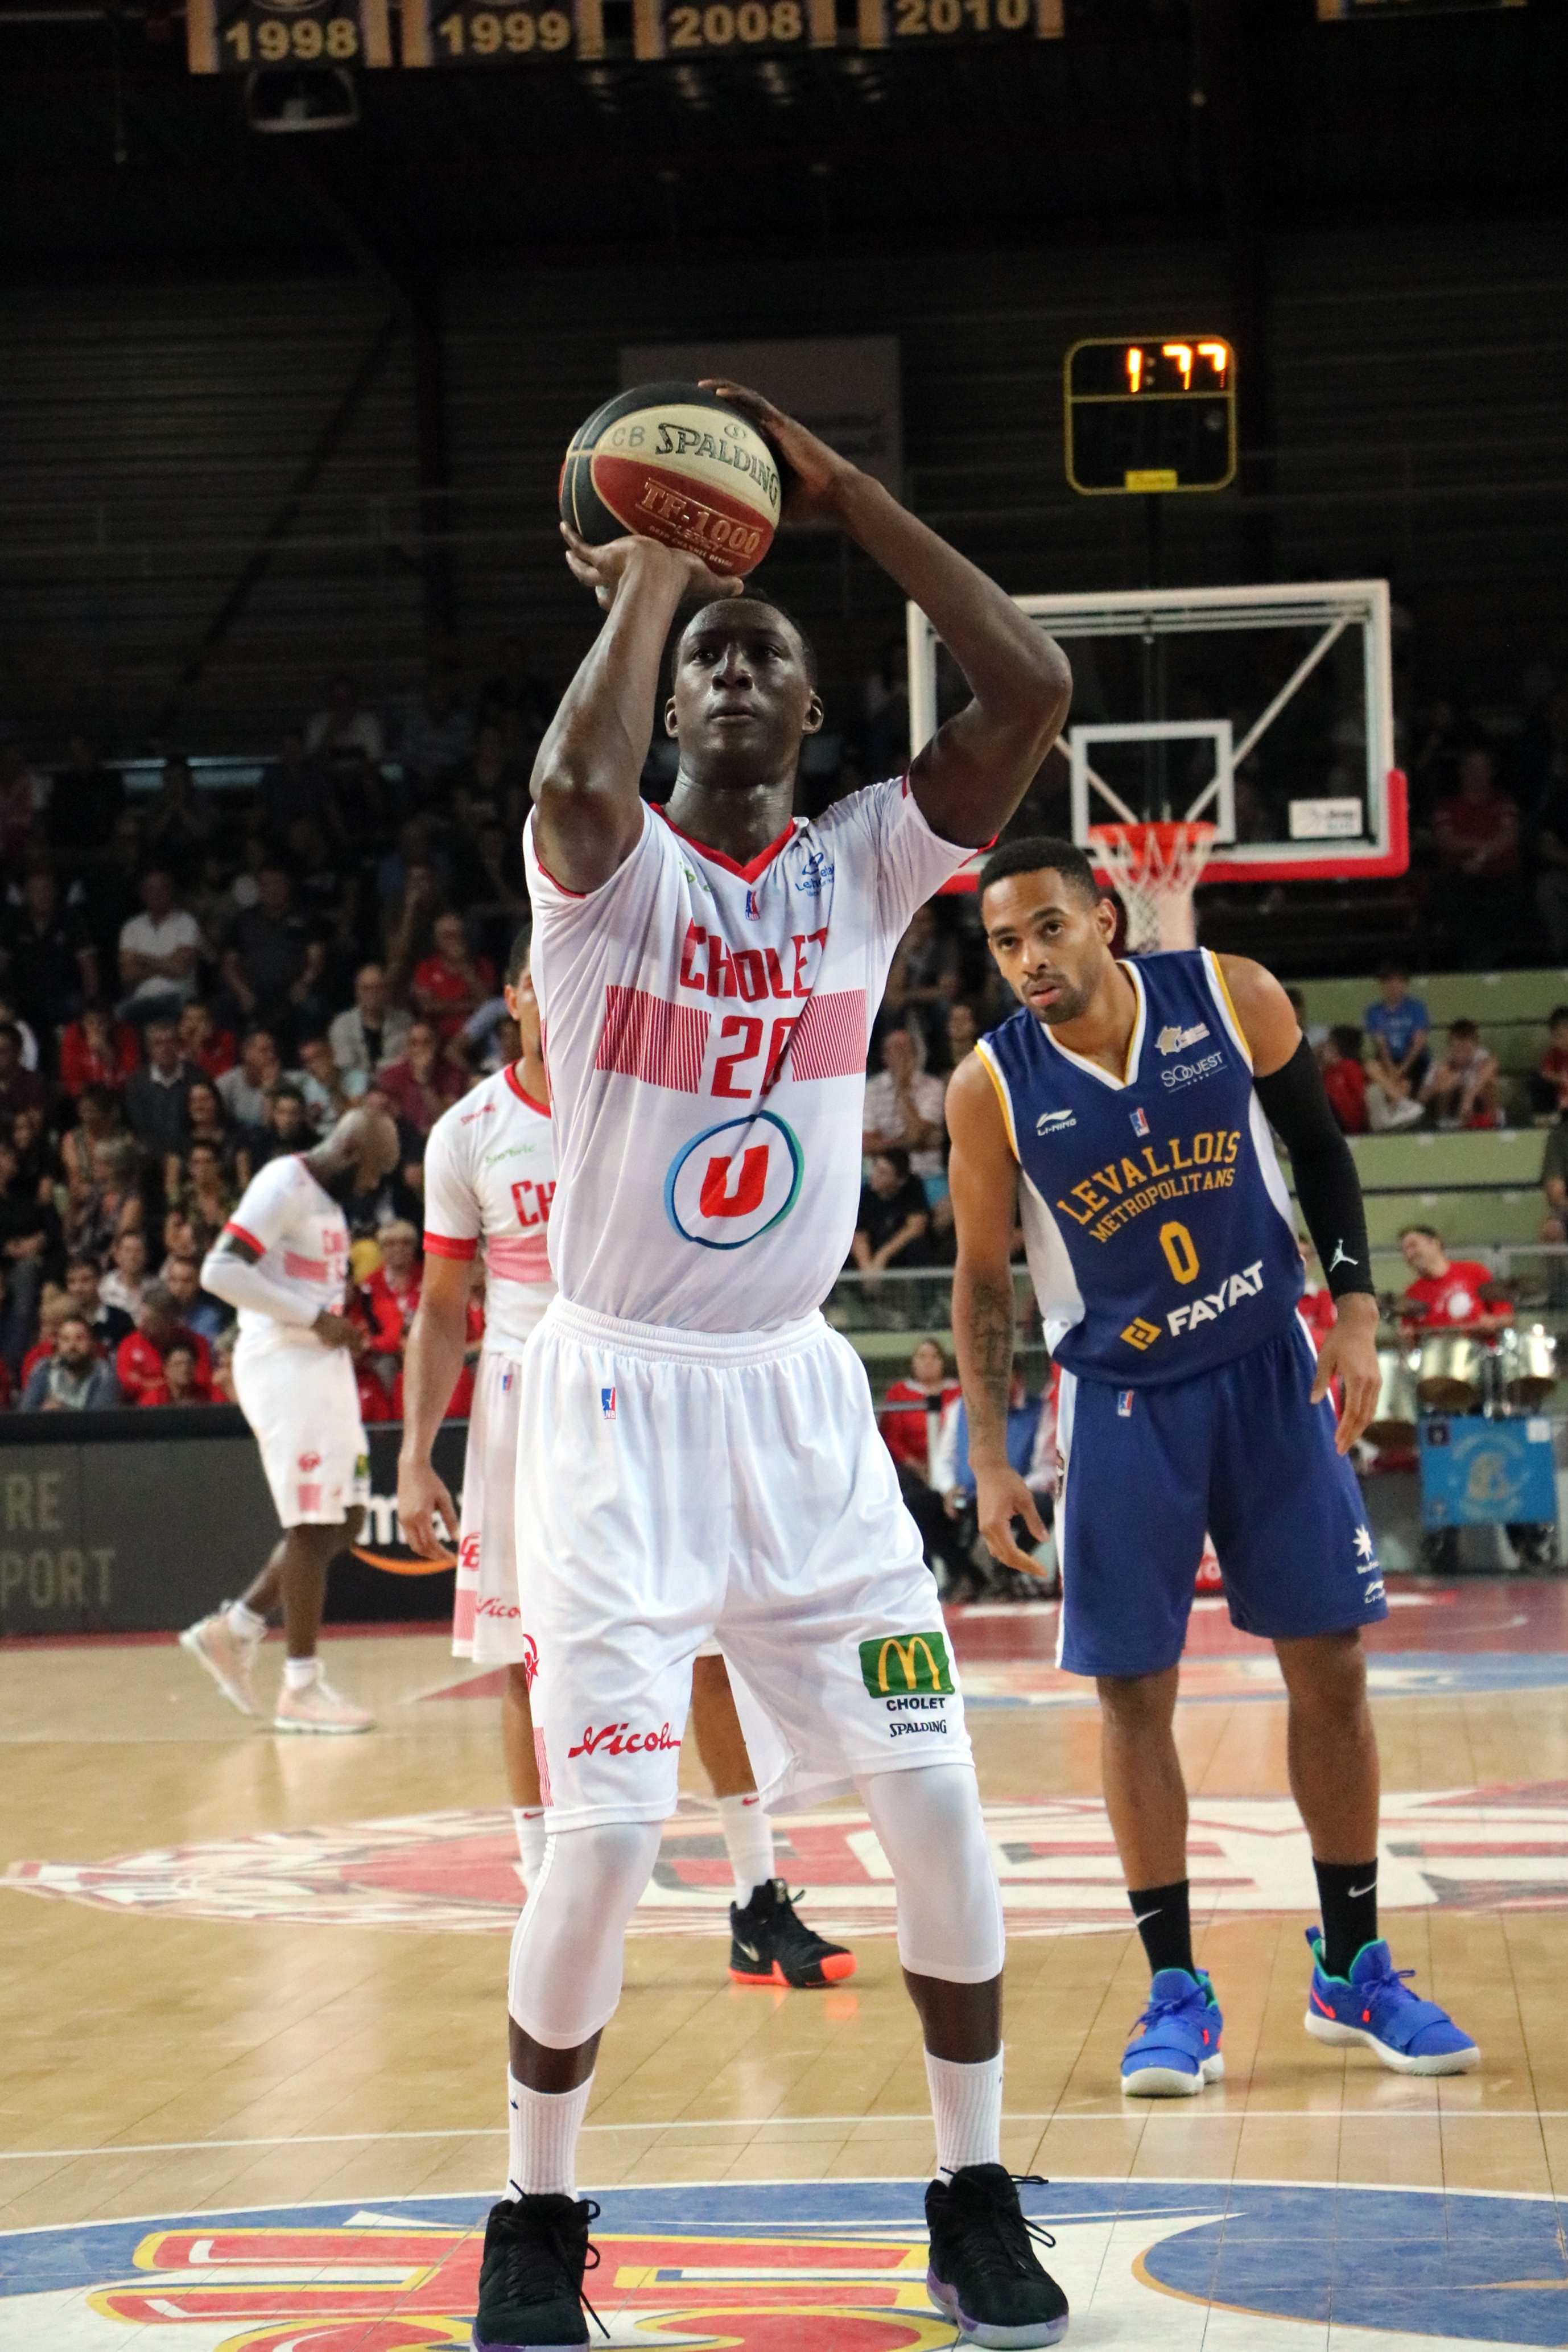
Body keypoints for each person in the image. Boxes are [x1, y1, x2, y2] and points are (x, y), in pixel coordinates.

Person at [474, 381, 1072, 2352]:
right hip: (617, 1403)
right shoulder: (606, 869)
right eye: (706, 653)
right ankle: (536, 2215)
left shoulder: (864, 867)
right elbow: (571, 778)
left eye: (766, 651)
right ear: (666, 699)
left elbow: (1028, 681)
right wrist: (656, 569)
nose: (734, 669)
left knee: (932, 1804)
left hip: (802, 1417)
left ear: (810, 716)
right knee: (618, 1836)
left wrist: (838, 499)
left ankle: (969, 2186)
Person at [944, 835, 1477, 2104]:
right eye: (1005, 943)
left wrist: (1352, 1307)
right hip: (1122, 1400)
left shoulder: (1231, 993)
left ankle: (1352, 1960)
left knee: (1331, 1665)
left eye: (1047, 929)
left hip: (1266, 1369)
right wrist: (986, 1451)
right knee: (1132, 1693)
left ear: (1106, 917)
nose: (1027, 960)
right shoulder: (991, 1086)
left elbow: (1322, 1154)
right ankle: (1174, 1987)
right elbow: (979, 1279)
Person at [399, 930, 849, 1980]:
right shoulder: (469, 1132)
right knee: (520, 1655)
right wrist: (417, 1451)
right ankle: (539, 1894)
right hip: (522, 1406)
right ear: (515, 995)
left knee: (707, 1646)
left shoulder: (652, 1097)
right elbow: (438, 1305)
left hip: (648, 1399)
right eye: (542, 981)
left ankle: (755, 1894)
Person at [179, 1107, 401, 1735]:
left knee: (350, 1514)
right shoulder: (283, 1183)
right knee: (312, 1521)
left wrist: (331, 1323)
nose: (373, 1188)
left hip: (317, 1362)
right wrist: (312, 1316)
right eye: (374, 1173)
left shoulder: (327, 1200)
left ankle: (237, 1628)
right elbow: (218, 1271)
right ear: (352, 1150)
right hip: (282, 1363)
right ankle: (300, 1687)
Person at [863, 1024, 948, 1197]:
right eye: (895, 1050)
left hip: (926, 1175)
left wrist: (902, 1092)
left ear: (916, 1054)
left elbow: (916, 1134)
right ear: (884, 1056)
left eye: (905, 1050)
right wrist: (914, 1143)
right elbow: (866, 1144)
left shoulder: (934, 1087)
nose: (901, 1056)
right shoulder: (871, 1089)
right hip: (883, 1177)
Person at [117, 866, 202, 1017]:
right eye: (150, 890)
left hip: (178, 997)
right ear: (143, 894)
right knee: (119, 1014)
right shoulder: (131, 927)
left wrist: (142, 959)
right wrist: (168, 963)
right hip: (141, 1000)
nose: (156, 895)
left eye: (161, 889)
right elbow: (127, 975)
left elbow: (181, 969)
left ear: (170, 891)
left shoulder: (186, 922)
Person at [115, 1281, 216, 1406]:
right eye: (142, 1319)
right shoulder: (131, 1343)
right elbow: (126, 1383)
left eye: (150, 1322)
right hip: (143, 1411)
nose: (142, 1326)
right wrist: (170, 1382)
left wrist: (147, 1382)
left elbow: (202, 1379)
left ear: (169, 1321)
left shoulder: (196, 1343)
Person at [1396, 1225, 1510, 1332]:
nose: (1409, 1254)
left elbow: (1507, 1317)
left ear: (1434, 1244)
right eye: (1405, 1251)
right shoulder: (1412, 1294)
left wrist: (1493, 1322)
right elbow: (1410, 1338)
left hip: (1483, 1349)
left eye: (1413, 1246)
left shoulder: (1474, 1271)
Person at [329, 962, 410, 1091]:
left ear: (387, 990)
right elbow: (346, 1067)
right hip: (357, 1092)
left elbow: (405, 1062)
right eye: (367, 988)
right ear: (357, 991)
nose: (372, 994)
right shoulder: (342, 1025)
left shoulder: (404, 1022)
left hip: (397, 1090)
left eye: (378, 988)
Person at [123, 1016, 193, 1159]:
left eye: (170, 1042)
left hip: (191, 1155)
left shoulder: (196, 1077)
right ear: (149, 1048)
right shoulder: (137, 1084)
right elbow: (139, 1128)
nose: (165, 1048)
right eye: (158, 1043)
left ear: (178, 1045)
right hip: (150, 1159)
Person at [20, 1313, 122, 1410]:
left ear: (91, 1343)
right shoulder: (45, 1368)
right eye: (66, 1339)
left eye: (80, 1338)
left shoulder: (104, 1373)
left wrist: (58, 1412)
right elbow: (27, 1412)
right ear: (58, 1344)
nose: (72, 1346)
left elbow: (99, 1421)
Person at [1420, 1019, 1502, 1129]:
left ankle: (1491, 1121)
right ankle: (1444, 1123)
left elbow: (1493, 1064)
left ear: (1474, 1045)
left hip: (1478, 1109)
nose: (1462, 1054)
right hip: (1450, 1111)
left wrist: (1469, 1097)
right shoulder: (1440, 1064)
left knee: (1489, 1081)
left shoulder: (1480, 1057)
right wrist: (1439, 1086)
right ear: (1449, 1044)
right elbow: (1421, 1098)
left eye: (1466, 1049)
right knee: (1444, 1074)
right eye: (1458, 1049)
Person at [1363, 965, 1430, 1099]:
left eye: (1398, 981)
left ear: (1405, 984)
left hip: (1414, 1061)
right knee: (1371, 1066)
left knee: (1405, 1084)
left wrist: (1402, 1070)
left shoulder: (1417, 1008)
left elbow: (1418, 1044)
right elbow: (1381, 1045)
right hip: (1388, 1060)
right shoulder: (1374, 1012)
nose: (1393, 986)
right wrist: (1391, 1071)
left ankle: (1399, 1102)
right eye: (1388, 982)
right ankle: (1401, 1103)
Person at [65, 1252, 134, 1350]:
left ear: (100, 1280)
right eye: (72, 1281)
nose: (78, 1288)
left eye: (85, 1280)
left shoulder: (121, 1320)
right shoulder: (64, 1321)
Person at [1530, 1004, 1568, 1121]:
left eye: (1560, 1035)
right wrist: (1559, 1079)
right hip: (1560, 1101)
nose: (1556, 1039)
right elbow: (1545, 1073)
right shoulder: (1554, 1053)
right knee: (1536, 1079)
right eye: (1554, 1035)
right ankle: (1544, 1117)